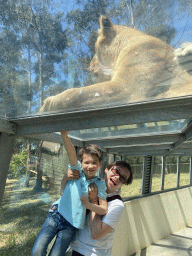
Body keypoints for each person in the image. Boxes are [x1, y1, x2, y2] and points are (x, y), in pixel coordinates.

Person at [31, 131, 108, 256]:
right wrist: (65, 136)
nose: (90, 166)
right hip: (56, 214)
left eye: (94, 162)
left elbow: (104, 209)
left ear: (99, 164)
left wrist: (89, 205)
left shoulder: (99, 185)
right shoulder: (76, 172)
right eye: (86, 162)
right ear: (81, 163)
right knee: (37, 252)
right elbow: (71, 153)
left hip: (71, 225)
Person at [70, 160, 133, 256]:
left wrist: (94, 201)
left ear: (124, 183)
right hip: (76, 247)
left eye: (123, 178)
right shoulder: (91, 185)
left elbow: (96, 234)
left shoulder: (117, 205)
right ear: (106, 169)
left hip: (93, 252)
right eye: (116, 171)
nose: (117, 177)